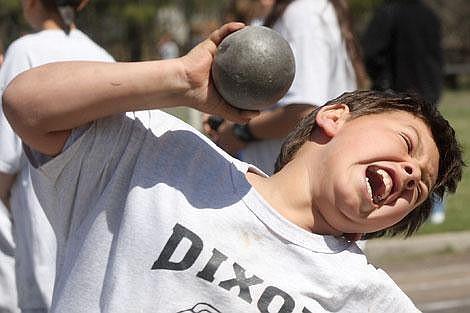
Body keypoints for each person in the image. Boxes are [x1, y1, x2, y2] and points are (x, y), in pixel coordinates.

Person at [3, 23, 463, 312]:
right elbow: (26, 107)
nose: (408, 174)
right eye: (406, 145)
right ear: (334, 117)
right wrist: (178, 80)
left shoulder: (363, 297)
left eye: (419, 188)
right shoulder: (161, 156)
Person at [0, 0, 114, 312]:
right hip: (95, 206)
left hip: (38, 197)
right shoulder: (102, 56)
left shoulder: (24, 50)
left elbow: (6, 154)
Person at [206, 0, 369, 175]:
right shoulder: (304, 10)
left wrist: (239, 131)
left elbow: (304, 111)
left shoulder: (302, 12)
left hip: (284, 179)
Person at [361, 0, 445, 223]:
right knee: (428, 152)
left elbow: (371, 51)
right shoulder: (429, 14)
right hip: (428, 92)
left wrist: (381, 83)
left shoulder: (389, 12)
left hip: (397, 94)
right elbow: (437, 55)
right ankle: (433, 207)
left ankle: (395, 205)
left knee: (397, 152)